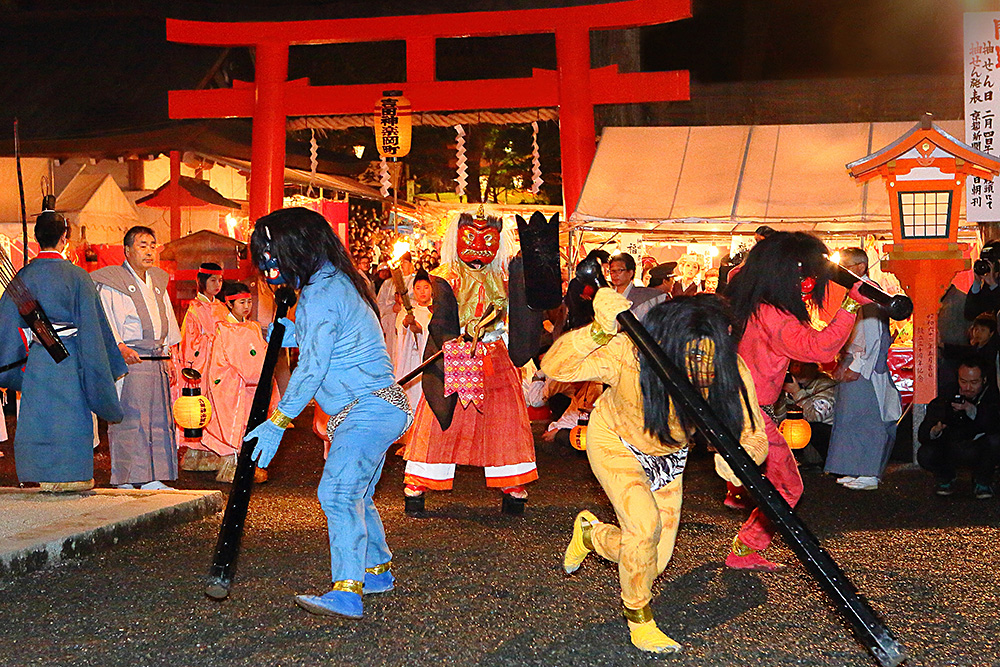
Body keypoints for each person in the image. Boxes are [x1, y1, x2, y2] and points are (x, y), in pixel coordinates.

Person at [542, 292, 768, 653]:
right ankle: (640, 621)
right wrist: (598, 331)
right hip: (615, 439)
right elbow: (555, 366)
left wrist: (743, 457)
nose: (705, 367)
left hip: (668, 455)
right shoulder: (630, 352)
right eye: (694, 354)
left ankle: (591, 535)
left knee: (653, 561)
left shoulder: (731, 368)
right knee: (643, 530)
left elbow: (754, 433)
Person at [243, 207, 411, 620]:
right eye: (263, 258)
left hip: (367, 410)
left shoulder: (323, 292)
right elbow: (331, 339)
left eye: (272, 255)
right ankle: (377, 570)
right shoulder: (334, 284)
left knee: (336, 493)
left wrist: (278, 422)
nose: (268, 267)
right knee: (358, 495)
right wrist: (288, 330)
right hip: (377, 408)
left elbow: (313, 367)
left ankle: (347, 591)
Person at [722, 231, 869, 570]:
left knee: (772, 483)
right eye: (805, 273)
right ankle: (744, 548)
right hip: (750, 414)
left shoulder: (754, 304)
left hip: (738, 408)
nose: (809, 281)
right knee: (788, 487)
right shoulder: (774, 314)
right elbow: (818, 348)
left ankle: (738, 498)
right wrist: (850, 305)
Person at [403, 208, 537, 510]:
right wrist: (453, 339)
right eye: (471, 239)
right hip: (457, 350)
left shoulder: (504, 273)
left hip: (494, 352)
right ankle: (420, 478)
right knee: (442, 415)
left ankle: (511, 478)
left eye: (488, 240)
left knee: (505, 416)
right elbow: (442, 320)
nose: (479, 249)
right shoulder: (445, 276)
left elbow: (522, 309)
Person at [0, 210, 126, 492]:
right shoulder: (78, 277)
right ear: (64, 237)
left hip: (39, 360)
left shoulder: (23, 278)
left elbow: (6, 325)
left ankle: (35, 474)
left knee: (37, 415)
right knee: (71, 414)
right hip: (70, 358)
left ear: (35, 237)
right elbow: (94, 329)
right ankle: (72, 474)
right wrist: (103, 364)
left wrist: (15, 368)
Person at [92, 226, 182, 490]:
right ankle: (127, 477)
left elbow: (167, 323)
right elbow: (106, 321)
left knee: (158, 417)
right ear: (127, 250)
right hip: (131, 359)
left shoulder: (158, 282)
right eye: (142, 245)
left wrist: (171, 356)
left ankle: (154, 476)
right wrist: (119, 347)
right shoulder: (113, 281)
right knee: (130, 418)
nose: (149, 251)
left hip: (157, 357)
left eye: (152, 245)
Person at [823, 248, 902, 491]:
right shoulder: (859, 291)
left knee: (868, 420)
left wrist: (858, 366)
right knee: (849, 419)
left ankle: (868, 471)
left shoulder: (870, 292)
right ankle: (853, 468)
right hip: (854, 361)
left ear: (859, 267)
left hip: (865, 367)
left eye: (845, 267)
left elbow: (874, 334)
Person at [202, 282, 275, 484]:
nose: (247, 306)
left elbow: (259, 352)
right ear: (229, 303)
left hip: (251, 386)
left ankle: (249, 466)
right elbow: (230, 361)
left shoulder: (252, 326)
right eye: (242, 302)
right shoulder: (225, 329)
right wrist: (255, 373)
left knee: (252, 423)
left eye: (249, 302)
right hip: (232, 386)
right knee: (235, 425)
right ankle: (233, 468)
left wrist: (263, 373)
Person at [917, 358, 1000, 498]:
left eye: (974, 383)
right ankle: (945, 478)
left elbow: (994, 423)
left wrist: (972, 411)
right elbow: (924, 431)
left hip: (980, 449)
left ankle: (983, 481)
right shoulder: (947, 393)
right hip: (952, 448)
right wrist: (934, 431)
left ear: (984, 380)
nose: (968, 387)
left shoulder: (992, 395)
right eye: (963, 381)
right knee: (926, 453)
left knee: (996, 441)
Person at [177, 262, 229, 472]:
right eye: (213, 280)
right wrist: (210, 341)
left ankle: (213, 449)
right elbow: (189, 342)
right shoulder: (194, 310)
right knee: (201, 408)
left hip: (219, 366)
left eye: (220, 280)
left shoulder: (221, 307)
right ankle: (198, 452)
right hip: (203, 366)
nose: (217, 284)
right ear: (201, 282)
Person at [394, 269, 433, 408]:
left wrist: (420, 330)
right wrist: (406, 323)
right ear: (413, 291)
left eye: (426, 287)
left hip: (429, 360)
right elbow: (400, 329)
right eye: (418, 288)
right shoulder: (407, 310)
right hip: (412, 360)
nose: (422, 292)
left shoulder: (436, 310)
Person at [376, 252, 414, 365]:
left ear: (411, 264)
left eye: (405, 262)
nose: (402, 265)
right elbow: (379, 304)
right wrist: (392, 308)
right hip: (391, 325)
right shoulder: (388, 283)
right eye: (400, 262)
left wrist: (404, 306)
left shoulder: (415, 281)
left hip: (409, 327)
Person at [607, 252, 667, 319]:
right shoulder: (607, 296)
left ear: (630, 273)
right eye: (612, 271)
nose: (615, 275)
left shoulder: (647, 296)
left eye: (619, 270)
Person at [565, 249, 611, 330]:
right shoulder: (577, 282)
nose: (606, 272)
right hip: (582, 327)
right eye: (605, 268)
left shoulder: (604, 284)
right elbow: (573, 305)